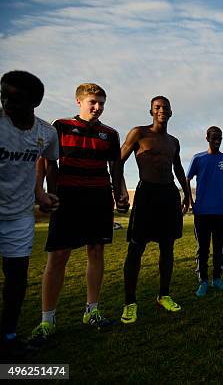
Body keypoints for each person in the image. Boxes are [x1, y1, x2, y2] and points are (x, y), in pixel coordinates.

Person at [31, 83, 127, 345]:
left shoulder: (110, 133)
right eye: (92, 102)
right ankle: (47, 321)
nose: (97, 107)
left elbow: (115, 167)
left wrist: (120, 192)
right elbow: (47, 162)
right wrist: (44, 192)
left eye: (101, 103)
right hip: (68, 198)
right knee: (58, 255)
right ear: (79, 101)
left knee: (96, 251)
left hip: (98, 197)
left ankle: (92, 310)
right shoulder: (59, 127)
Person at [116, 96, 190, 323]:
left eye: (165, 108)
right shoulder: (139, 133)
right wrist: (118, 191)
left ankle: (164, 295)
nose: (161, 110)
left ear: (171, 112)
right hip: (146, 192)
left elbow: (177, 167)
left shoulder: (173, 141)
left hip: (168, 193)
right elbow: (117, 161)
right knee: (136, 248)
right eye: (157, 107)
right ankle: (130, 302)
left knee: (168, 247)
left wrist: (186, 193)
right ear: (151, 111)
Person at [0, 71, 59, 358]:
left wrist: (41, 194)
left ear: (34, 102)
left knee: (17, 277)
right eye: (3, 95)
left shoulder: (46, 133)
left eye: (15, 98)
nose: (6, 103)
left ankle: (9, 336)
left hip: (19, 216)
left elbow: (45, 164)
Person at [187, 126, 223, 297]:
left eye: (220, 137)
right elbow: (187, 179)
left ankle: (217, 278)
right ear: (207, 138)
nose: (217, 140)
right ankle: (203, 281)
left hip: (220, 212)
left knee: (218, 248)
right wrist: (190, 200)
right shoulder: (198, 158)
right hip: (202, 212)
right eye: (214, 137)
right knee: (203, 248)